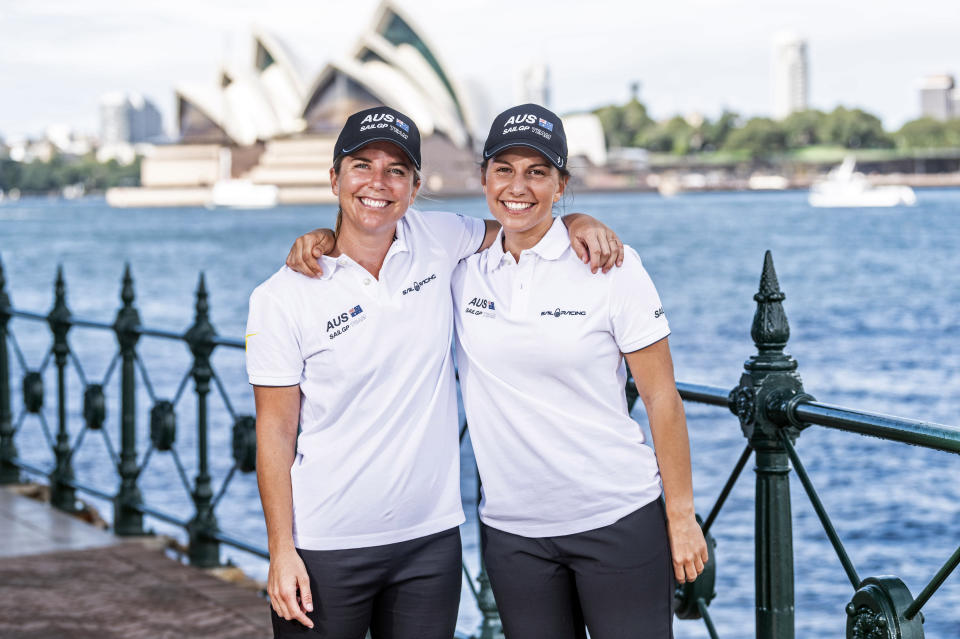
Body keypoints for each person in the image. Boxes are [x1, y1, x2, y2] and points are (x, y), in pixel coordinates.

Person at [287, 104, 708, 639]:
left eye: (538, 172)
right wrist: (322, 241)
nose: (519, 186)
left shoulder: (611, 267)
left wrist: (681, 514)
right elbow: (371, 234)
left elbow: (662, 399)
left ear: (562, 184)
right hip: (514, 535)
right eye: (504, 169)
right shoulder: (463, 267)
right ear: (483, 177)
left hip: (617, 518)